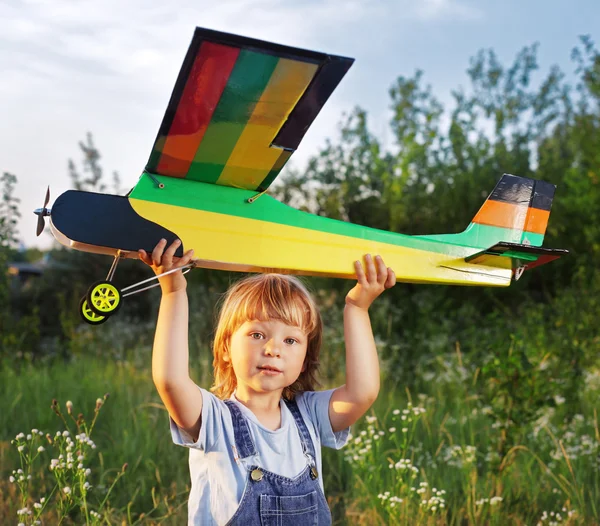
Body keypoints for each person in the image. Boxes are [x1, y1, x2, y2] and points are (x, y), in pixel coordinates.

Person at [138, 238, 396, 525]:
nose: (273, 349)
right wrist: (173, 290)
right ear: (225, 348)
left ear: (305, 359)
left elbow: (363, 392)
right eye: (257, 334)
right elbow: (170, 380)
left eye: (290, 340)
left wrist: (357, 308)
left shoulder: (309, 415)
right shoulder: (214, 420)